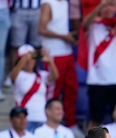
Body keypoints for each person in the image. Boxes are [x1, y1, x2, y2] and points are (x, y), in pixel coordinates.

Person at [82, 0, 116, 128]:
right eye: (106, 6)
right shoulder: (94, 25)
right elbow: (84, 25)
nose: (108, 9)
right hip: (97, 79)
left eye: (111, 6)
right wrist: (99, 6)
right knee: (95, 119)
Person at [38, 0, 79, 128]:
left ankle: (71, 124)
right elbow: (41, 29)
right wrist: (63, 37)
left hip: (66, 51)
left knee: (71, 88)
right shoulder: (48, 4)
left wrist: (70, 38)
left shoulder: (65, 3)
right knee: (53, 91)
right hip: (53, 52)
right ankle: (48, 124)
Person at [10, 44, 59, 132]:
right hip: (25, 119)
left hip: (42, 117)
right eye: (26, 59)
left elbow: (55, 76)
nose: (30, 61)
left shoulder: (41, 75)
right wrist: (24, 59)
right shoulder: (18, 74)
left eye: (32, 58)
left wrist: (50, 61)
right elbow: (13, 77)